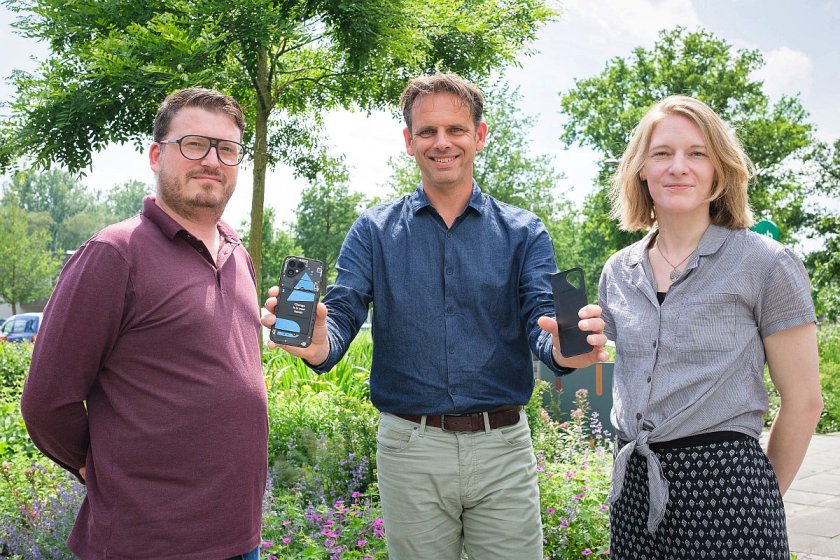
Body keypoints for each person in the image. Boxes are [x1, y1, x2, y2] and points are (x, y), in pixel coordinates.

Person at [261, 72, 608, 559]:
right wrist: (319, 344)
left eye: (455, 129)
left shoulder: (525, 232)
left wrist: (564, 349)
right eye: (427, 131)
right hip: (411, 449)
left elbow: (541, 320)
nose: (441, 142)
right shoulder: (373, 231)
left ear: (479, 136)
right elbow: (340, 312)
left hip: (503, 448)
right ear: (409, 141)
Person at [21, 88, 267, 560]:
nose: (211, 160)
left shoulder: (238, 253)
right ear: (157, 155)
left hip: (240, 538)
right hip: (148, 542)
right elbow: (47, 402)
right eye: (194, 144)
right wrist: (92, 466)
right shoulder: (114, 254)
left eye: (227, 149)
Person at [600, 95, 823, 559]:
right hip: (634, 491)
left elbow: (804, 400)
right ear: (641, 169)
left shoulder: (766, 263)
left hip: (729, 493)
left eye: (697, 153)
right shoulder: (618, 271)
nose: (678, 167)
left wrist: (759, 496)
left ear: (719, 169)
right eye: (662, 153)